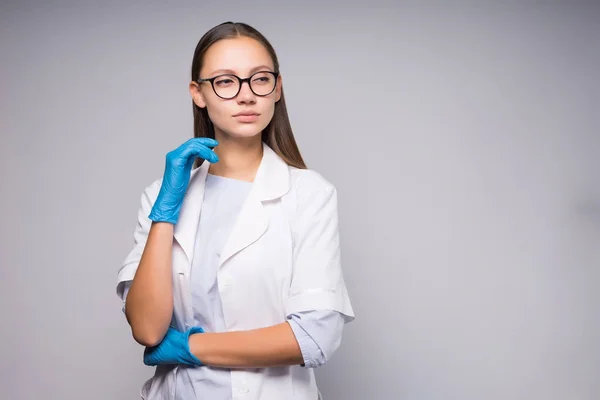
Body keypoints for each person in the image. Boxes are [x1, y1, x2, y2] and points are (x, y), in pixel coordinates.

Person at [116, 21, 355, 400]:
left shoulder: (309, 194)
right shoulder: (159, 197)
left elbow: (314, 336)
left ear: (277, 88)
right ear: (198, 93)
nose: (246, 96)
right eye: (226, 82)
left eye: (259, 79)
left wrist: (191, 348)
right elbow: (147, 329)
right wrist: (165, 211)